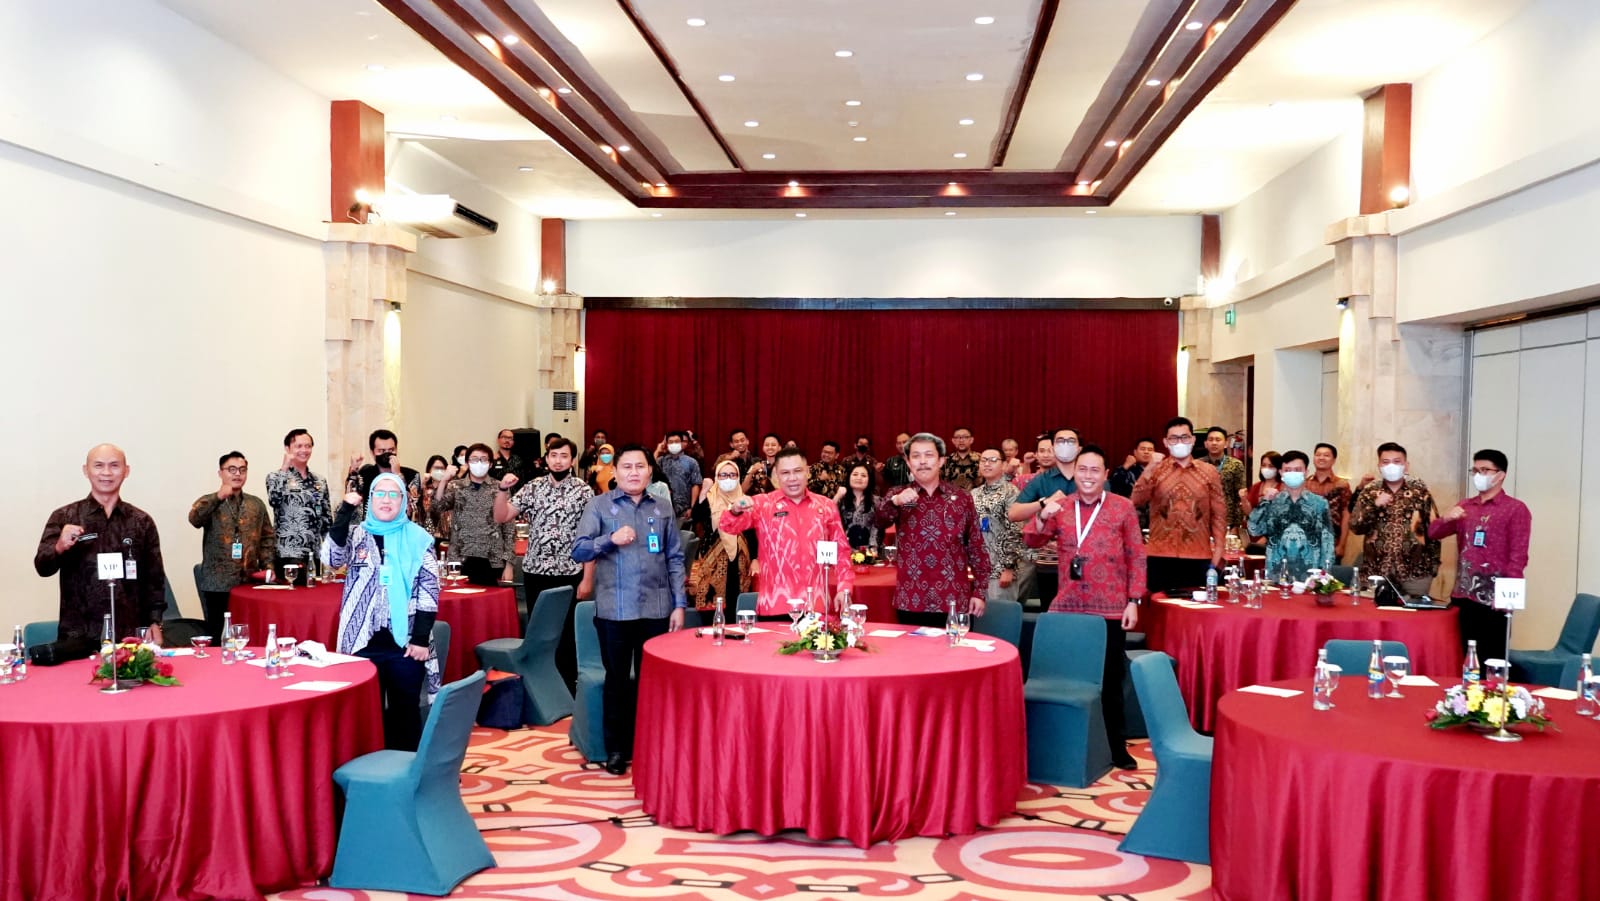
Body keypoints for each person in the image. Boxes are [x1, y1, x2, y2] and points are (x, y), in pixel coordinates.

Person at [1024, 445, 1145, 770]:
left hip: (1111, 609)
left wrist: (1134, 600)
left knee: (1111, 680)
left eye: (1095, 470)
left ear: (1105, 474)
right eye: (1082, 470)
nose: (1088, 476)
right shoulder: (1062, 506)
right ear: (1074, 473)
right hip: (1069, 608)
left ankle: (1116, 746)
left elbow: (1136, 555)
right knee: (1068, 679)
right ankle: (1066, 746)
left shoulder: (1122, 507)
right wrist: (1042, 515)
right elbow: (1031, 540)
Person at [571, 445, 687, 776]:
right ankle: (617, 749)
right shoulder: (598, 505)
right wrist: (610, 539)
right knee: (617, 682)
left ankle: (652, 745)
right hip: (615, 611)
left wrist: (679, 604)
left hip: (657, 609)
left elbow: (675, 558)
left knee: (655, 682)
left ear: (650, 471)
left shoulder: (663, 507)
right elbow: (579, 550)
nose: (633, 472)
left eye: (640, 466)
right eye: (627, 467)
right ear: (615, 471)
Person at [332, 473, 441, 751]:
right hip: (360, 643)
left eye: (394, 494)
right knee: (363, 715)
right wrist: (345, 510)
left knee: (405, 712)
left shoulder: (419, 538)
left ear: (404, 501)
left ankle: (405, 768)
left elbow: (429, 591)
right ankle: (367, 771)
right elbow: (332, 559)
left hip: (405, 645)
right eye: (380, 493)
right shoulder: (356, 534)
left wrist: (420, 639)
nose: (386, 500)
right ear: (370, 500)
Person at [35, 444, 168, 643]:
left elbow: (154, 578)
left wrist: (155, 621)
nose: (106, 472)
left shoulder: (141, 521)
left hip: (130, 634)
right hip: (78, 634)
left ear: (126, 471)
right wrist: (59, 547)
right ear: (86, 470)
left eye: (114, 465)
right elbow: (42, 567)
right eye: (98, 465)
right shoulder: (65, 516)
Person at [497, 437, 592, 693]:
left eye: (564, 456)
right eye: (554, 455)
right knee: (538, 630)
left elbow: (590, 537)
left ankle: (567, 686)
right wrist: (502, 490)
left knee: (567, 633)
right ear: (546, 458)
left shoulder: (583, 490)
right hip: (536, 570)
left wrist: (587, 578)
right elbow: (502, 515)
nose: (558, 461)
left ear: (572, 460)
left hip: (570, 570)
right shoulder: (533, 486)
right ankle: (539, 685)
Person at [720, 447, 855, 618]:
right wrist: (735, 510)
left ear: (807, 472)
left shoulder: (826, 506)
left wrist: (844, 587)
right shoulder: (762, 504)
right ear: (776, 475)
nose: (792, 478)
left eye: (797, 471)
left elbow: (841, 551)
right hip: (774, 605)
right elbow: (728, 526)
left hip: (816, 605)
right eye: (785, 473)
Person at [875, 433, 991, 626]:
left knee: (956, 646)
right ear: (908, 462)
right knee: (910, 647)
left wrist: (979, 592)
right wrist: (894, 502)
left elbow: (976, 546)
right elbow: (879, 521)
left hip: (954, 598)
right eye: (916, 456)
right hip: (911, 599)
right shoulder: (897, 494)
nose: (922, 462)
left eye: (928, 455)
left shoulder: (961, 498)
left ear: (941, 461)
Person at [1427, 449, 1530, 662]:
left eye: (1484, 470)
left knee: (1491, 659)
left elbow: (1518, 556)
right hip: (1463, 595)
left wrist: (1507, 597)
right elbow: (1433, 534)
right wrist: (1446, 518)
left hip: (1494, 598)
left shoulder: (1515, 509)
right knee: (1463, 657)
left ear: (1500, 475)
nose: (1478, 475)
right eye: (1475, 470)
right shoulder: (1465, 506)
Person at [1130, 417, 1227, 592]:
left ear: (1193, 440)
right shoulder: (1156, 469)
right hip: (1160, 554)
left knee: (1196, 605)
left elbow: (1219, 514)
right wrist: (1149, 468)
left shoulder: (1209, 472)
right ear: (1165, 442)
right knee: (1159, 606)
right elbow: (1136, 500)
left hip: (1198, 554)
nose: (1180, 442)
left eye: (1184, 437)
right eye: (1174, 438)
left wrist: (1219, 549)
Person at [188, 451, 276, 639]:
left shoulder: (256, 504)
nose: (238, 474)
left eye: (242, 470)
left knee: (247, 633)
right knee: (219, 634)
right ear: (221, 473)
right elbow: (194, 519)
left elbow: (267, 538)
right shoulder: (210, 501)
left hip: (249, 581)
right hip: (218, 583)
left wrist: (268, 567)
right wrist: (218, 497)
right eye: (232, 469)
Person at [1349, 442, 1442, 596]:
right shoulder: (1370, 491)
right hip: (1376, 571)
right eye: (1386, 462)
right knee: (1373, 610)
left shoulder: (1420, 491)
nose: (1391, 466)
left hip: (1415, 573)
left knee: (1413, 610)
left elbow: (1434, 529)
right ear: (1379, 466)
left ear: (1406, 465)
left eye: (1397, 462)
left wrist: (1433, 566)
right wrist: (1374, 506)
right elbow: (1355, 527)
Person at [1245, 450, 1334, 581]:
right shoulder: (1273, 502)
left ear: (1306, 472)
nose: (1293, 473)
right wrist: (1265, 502)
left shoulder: (1319, 503)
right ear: (1281, 472)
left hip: (1309, 576)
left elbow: (1328, 543)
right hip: (1275, 573)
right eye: (1288, 470)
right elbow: (1254, 529)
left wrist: (1324, 576)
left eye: (1297, 470)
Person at [433, 443, 514, 585]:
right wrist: (444, 480)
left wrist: (509, 565)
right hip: (460, 558)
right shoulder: (456, 486)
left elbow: (509, 528)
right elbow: (437, 507)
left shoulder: (500, 487)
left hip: (493, 559)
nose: (479, 463)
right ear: (467, 463)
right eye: (474, 459)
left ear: (490, 464)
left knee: (490, 598)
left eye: (484, 459)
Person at [690, 456, 758, 614]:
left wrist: (755, 558)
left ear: (738, 477)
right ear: (717, 477)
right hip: (713, 557)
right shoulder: (709, 497)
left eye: (732, 475)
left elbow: (752, 532)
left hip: (740, 558)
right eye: (724, 475)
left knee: (737, 601)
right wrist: (703, 493)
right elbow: (697, 518)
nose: (728, 479)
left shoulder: (745, 501)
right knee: (712, 605)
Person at [266, 428, 332, 586]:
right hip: (288, 552)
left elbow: (326, 518)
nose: (304, 450)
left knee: (313, 593)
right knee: (291, 595)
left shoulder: (319, 481)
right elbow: (274, 500)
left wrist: (330, 550)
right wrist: (284, 467)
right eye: (299, 446)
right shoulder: (275, 477)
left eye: (308, 446)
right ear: (287, 448)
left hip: (314, 552)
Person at [972, 449, 1022, 603]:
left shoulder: (1011, 492)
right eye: (983, 460)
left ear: (1004, 464)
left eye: (993, 460)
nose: (987, 464)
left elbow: (1015, 530)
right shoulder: (974, 493)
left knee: (999, 614)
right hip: (977, 568)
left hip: (1001, 570)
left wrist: (1009, 567)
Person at [1007, 427, 1081, 522]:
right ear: (1053, 449)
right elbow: (1013, 514)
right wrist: (1044, 502)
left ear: (1079, 449)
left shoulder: (1090, 477)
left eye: (1071, 441)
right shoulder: (1041, 479)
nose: (1065, 445)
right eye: (1060, 441)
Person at [348, 429, 423, 521]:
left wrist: (398, 476)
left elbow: (413, 508)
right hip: (370, 526)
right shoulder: (365, 474)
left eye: (391, 450)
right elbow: (351, 501)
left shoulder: (412, 475)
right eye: (381, 451)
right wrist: (354, 470)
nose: (387, 454)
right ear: (372, 453)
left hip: (400, 526)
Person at [1306, 443, 1353, 561]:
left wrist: (1341, 545)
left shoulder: (1341, 485)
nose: (1321, 458)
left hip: (1331, 543)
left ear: (1334, 460)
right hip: (1306, 543)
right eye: (1318, 455)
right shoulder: (1305, 484)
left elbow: (1346, 514)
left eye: (1326, 455)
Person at [1199, 426, 1247, 532]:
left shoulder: (1236, 465)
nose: (1214, 443)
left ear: (1225, 443)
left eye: (1218, 440)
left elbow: (1239, 497)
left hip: (1227, 521)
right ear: (1205, 444)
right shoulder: (1198, 465)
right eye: (1211, 440)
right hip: (1203, 521)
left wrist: (1236, 525)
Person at [656, 430, 702, 520]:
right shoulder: (661, 461)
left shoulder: (691, 462)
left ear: (681, 443)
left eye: (676, 441)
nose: (674, 444)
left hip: (684, 510)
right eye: (670, 442)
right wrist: (657, 451)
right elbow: (649, 473)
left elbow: (695, 485)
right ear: (666, 444)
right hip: (662, 510)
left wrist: (692, 508)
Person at [836, 462, 880, 550]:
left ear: (869, 480)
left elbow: (878, 527)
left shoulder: (877, 501)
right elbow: (827, 516)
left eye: (863, 475)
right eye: (855, 474)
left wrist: (872, 548)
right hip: (843, 549)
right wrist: (837, 496)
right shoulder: (841, 499)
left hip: (870, 551)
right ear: (849, 477)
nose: (859, 478)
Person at [1240, 451, 1283, 517]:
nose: (1266, 469)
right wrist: (1243, 499)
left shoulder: (1283, 487)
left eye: (1271, 466)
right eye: (1263, 465)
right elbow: (1249, 513)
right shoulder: (1256, 486)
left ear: (1278, 468)